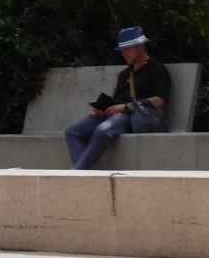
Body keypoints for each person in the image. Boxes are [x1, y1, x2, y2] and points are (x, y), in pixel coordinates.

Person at [65, 28, 171, 170]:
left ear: (140, 47)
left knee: (103, 130)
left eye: (127, 49)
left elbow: (159, 101)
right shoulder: (124, 74)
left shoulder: (157, 70)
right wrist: (104, 108)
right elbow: (117, 100)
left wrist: (126, 107)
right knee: (72, 132)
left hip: (132, 115)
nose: (123, 54)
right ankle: (82, 173)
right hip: (115, 112)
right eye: (122, 50)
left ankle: (77, 172)